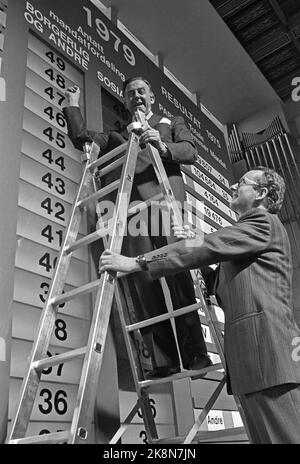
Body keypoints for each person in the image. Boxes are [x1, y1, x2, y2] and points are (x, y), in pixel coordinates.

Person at [99, 166, 300, 444]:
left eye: (241, 182)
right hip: (253, 367)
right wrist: (195, 252)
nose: (233, 186)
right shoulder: (251, 238)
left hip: (270, 360)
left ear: (261, 193)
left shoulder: (264, 224)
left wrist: (138, 262)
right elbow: (223, 279)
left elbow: (209, 245)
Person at [63, 77, 211, 379]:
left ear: (151, 96)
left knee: (179, 277)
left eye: (141, 91)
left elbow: (190, 151)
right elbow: (82, 138)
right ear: (126, 100)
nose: (137, 97)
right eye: (131, 94)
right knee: (146, 286)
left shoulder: (170, 123)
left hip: (171, 212)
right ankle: (163, 359)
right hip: (136, 219)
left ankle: (196, 353)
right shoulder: (117, 134)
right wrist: (72, 106)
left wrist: (162, 143)